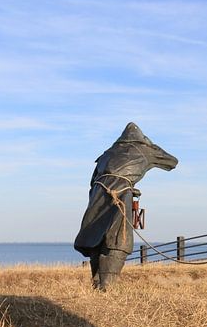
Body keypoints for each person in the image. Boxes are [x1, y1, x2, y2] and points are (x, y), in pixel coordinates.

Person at [74, 122, 178, 290]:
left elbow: (92, 181)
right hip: (120, 193)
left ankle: (97, 284)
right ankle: (107, 287)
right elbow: (172, 161)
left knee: (96, 235)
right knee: (119, 239)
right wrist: (149, 146)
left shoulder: (106, 154)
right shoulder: (145, 149)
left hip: (97, 194)